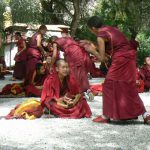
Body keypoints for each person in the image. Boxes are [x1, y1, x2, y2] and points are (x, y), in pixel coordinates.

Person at [80, 16, 150, 124]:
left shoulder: (100, 36)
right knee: (128, 86)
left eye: (90, 30)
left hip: (121, 60)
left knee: (108, 84)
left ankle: (106, 115)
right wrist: (91, 43)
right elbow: (115, 45)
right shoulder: (110, 29)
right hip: (129, 58)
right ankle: (146, 115)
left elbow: (103, 58)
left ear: (93, 28)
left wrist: (91, 50)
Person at [51, 35, 94, 101]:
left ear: (53, 40)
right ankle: (87, 89)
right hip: (79, 53)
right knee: (81, 73)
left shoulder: (55, 42)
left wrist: (50, 65)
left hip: (71, 54)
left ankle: (77, 92)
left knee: (72, 74)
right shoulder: (67, 38)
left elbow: (54, 56)